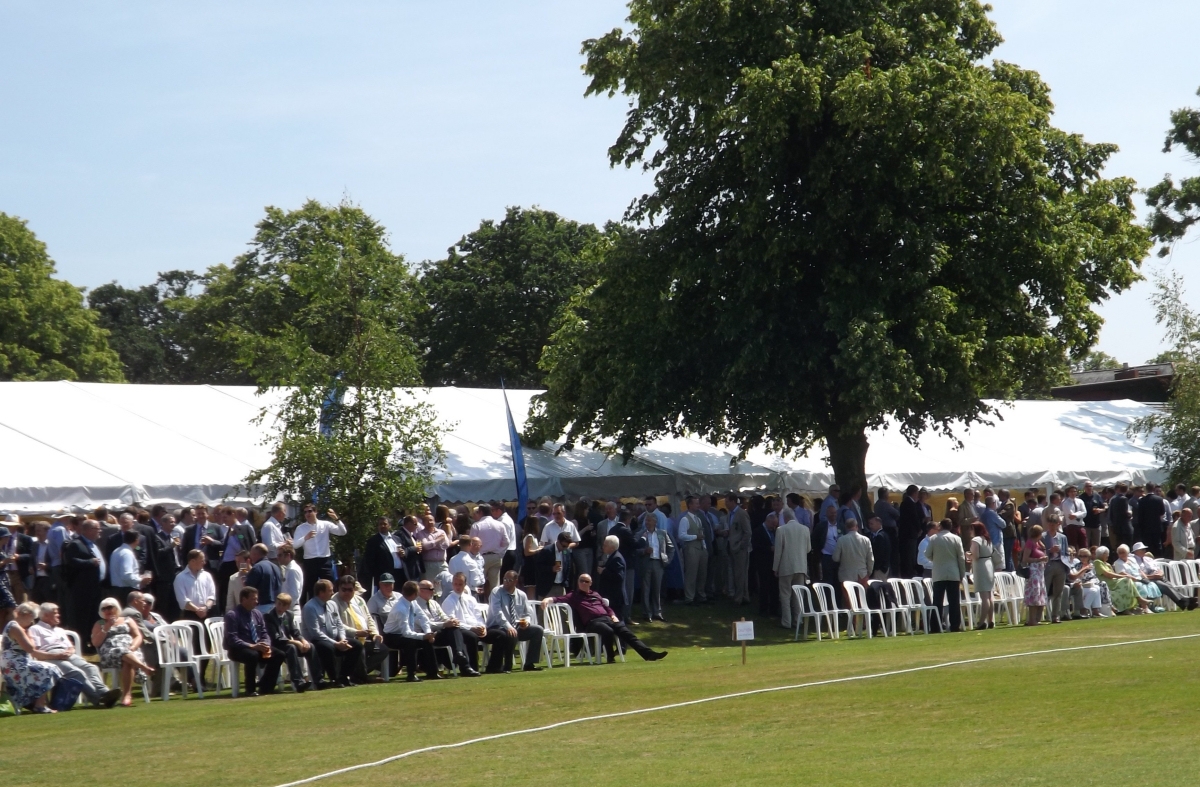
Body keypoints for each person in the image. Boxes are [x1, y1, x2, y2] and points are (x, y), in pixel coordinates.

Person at [541, 574, 667, 662]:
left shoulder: (596, 594)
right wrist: (547, 599)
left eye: (586, 581)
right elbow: (557, 599)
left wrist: (613, 616)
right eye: (581, 580)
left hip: (607, 618)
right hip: (592, 623)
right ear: (578, 582)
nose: (583, 583)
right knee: (608, 631)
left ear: (590, 583)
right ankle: (610, 656)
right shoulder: (573, 596)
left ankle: (649, 654)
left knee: (626, 632)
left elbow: (607, 608)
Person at [28, 601, 121, 708]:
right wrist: (56, 656)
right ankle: (98, 699)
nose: (58, 615)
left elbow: (71, 646)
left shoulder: (60, 630)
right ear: (45, 615)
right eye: (55, 613)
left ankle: (105, 693)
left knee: (91, 667)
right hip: (49, 657)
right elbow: (35, 652)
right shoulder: (35, 629)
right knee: (76, 672)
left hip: (67, 654)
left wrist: (70, 651)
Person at [301, 579, 365, 687]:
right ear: (321, 593)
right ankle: (334, 679)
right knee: (328, 648)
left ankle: (344, 676)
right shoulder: (310, 607)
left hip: (335, 638)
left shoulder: (332, 604)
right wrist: (335, 644)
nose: (332, 593)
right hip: (318, 641)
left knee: (356, 645)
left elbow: (339, 624)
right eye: (330, 590)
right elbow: (315, 633)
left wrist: (342, 639)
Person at [91, 597, 154, 706]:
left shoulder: (127, 620)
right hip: (110, 652)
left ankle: (127, 695)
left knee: (126, 659)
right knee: (121, 651)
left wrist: (133, 647)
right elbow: (96, 643)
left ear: (117, 608)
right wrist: (106, 627)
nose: (107, 611)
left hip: (130, 650)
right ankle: (143, 667)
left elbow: (138, 636)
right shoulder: (100, 623)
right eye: (104, 609)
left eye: (110, 607)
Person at [223, 587, 285, 696]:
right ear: (243, 599)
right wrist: (252, 646)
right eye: (253, 599)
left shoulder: (257, 614)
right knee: (252, 655)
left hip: (257, 646)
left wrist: (266, 644)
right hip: (238, 649)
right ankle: (250, 689)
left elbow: (264, 632)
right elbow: (233, 639)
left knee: (279, 654)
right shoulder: (232, 615)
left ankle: (266, 686)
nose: (256, 602)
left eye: (257, 599)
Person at [1, 601, 61, 713]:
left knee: (49, 668)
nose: (33, 621)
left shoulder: (17, 626)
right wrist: (29, 635)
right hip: (14, 664)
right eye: (33, 618)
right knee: (49, 669)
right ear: (28, 615)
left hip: (16, 662)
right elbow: (30, 648)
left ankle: (33, 702)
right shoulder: (16, 628)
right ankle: (39, 705)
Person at [442, 572, 504, 674]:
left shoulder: (471, 599)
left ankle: (494, 667)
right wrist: (471, 628)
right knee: (471, 637)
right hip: (462, 630)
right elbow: (453, 622)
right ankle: (472, 667)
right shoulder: (448, 601)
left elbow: (478, 616)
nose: (457, 587)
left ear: (465, 584)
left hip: (476, 627)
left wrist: (482, 627)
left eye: (460, 584)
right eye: (455, 584)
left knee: (500, 635)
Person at [414, 579, 479, 676]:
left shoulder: (434, 603)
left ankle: (461, 658)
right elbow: (425, 624)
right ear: (421, 590)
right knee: (453, 630)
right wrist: (445, 624)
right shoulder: (415, 605)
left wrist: (451, 621)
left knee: (458, 630)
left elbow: (443, 616)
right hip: (426, 634)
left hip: (440, 633)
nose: (433, 591)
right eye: (431, 589)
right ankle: (463, 663)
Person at [381, 581, 442, 682]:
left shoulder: (412, 602)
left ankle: (433, 672)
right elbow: (406, 633)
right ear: (415, 594)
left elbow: (423, 617)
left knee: (427, 641)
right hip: (391, 636)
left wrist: (428, 633)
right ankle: (411, 674)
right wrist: (423, 636)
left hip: (403, 634)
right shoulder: (401, 609)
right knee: (410, 642)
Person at [486, 571, 544, 672]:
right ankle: (507, 666)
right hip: (497, 626)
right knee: (510, 633)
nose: (506, 582)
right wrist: (508, 626)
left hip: (516, 626)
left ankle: (530, 663)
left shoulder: (522, 595)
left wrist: (526, 622)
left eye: (509, 580)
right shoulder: (496, 592)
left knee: (538, 630)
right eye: (504, 579)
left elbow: (528, 613)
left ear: (515, 581)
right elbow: (497, 613)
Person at [291, 506, 347, 602]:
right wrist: (306, 537)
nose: (307, 514)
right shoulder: (301, 528)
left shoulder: (325, 524)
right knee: (311, 588)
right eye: (305, 512)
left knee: (330, 585)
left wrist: (336, 519)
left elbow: (342, 532)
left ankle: (333, 607)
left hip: (324, 560)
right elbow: (295, 545)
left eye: (310, 511)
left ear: (315, 512)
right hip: (310, 561)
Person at [62, 519, 107, 638]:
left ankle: (92, 639)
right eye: (97, 529)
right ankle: (82, 641)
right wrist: (90, 562)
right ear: (88, 530)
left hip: (96, 586)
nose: (100, 531)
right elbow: (70, 561)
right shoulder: (76, 544)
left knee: (94, 614)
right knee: (83, 615)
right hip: (83, 588)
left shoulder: (93, 544)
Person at [334, 575, 387, 676]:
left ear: (354, 589)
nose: (347, 593)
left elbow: (369, 618)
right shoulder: (333, 602)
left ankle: (359, 674)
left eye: (350, 590)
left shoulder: (359, 600)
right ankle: (360, 676)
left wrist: (375, 633)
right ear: (338, 588)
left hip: (365, 637)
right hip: (346, 638)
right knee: (358, 648)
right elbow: (337, 624)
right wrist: (356, 632)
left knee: (383, 649)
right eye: (344, 590)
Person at [263, 592, 312, 693]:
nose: (280, 607)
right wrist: (295, 642)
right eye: (278, 603)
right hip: (275, 645)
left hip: (287, 644)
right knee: (291, 648)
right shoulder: (269, 616)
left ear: (288, 606)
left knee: (311, 647)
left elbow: (294, 631)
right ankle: (298, 682)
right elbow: (276, 638)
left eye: (283, 605)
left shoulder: (289, 615)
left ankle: (317, 679)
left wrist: (303, 640)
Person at [924, 519, 966, 633]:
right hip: (953, 572)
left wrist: (936, 559)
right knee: (954, 601)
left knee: (937, 601)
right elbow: (961, 558)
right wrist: (962, 573)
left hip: (939, 572)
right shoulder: (956, 539)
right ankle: (955, 626)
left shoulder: (933, 539)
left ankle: (935, 626)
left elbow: (927, 554)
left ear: (941, 526)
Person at [773, 509, 810, 630]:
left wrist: (775, 567)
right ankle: (798, 621)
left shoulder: (781, 530)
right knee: (798, 595)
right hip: (801, 566)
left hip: (786, 566)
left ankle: (786, 622)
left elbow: (778, 551)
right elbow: (808, 549)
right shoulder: (805, 529)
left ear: (784, 518)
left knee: (785, 595)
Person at [1130, 543, 1195, 611]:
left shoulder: (1148, 559)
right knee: (1165, 586)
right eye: (1142, 549)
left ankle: (1184, 602)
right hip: (1148, 580)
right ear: (1136, 551)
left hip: (1158, 577)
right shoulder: (1133, 561)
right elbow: (1139, 574)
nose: (1144, 551)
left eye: (1144, 549)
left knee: (1169, 585)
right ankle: (1185, 601)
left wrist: (1161, 573)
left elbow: (1158, 569)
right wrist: (1153, 576)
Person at [636, 512, 674, 621]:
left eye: (649, 520)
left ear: (655, 522)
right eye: (646, 521)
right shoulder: (641, 534)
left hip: (658, 563)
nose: (647, 523)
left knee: (657, 589)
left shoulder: (662, 533)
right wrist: (644, 551)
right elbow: (635, 549)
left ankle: (657, 612)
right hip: (646, 563)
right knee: (646, 589)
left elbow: (671, 548)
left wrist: (667, 560)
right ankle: (646, 613)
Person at [1093, 546, 1146, 615]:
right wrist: (1123, 576)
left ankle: (1132, 605)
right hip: (1108, 584)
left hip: (1114, 582)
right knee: (1126, 579)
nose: (1108, 556)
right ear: (1102, 554)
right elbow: (1109, 575)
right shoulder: (1097, 562)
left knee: (1128, 581)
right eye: (1106, 554)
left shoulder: (1106, 564)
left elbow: (1112, 574)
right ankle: (1137, 600)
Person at [676, 496, 709, 605]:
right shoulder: (685, 519)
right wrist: (695, 537)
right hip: (691, 548)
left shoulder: (698, 519)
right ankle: (689, 597)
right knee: (691, 573)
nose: (698, 505)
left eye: (698, 503)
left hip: (700, 548)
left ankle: (701, 595)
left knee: (702, 573)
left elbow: (701, 534)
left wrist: (704, 548)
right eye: (696, 503)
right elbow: (681, 535)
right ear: (690, 505)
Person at [361, 516, 406, 595]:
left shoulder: (397, 539)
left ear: (389, 525)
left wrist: (403, 553)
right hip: (385, 576)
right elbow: (369, 561)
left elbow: (404, 553)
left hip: (400, 574)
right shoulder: (373, 541)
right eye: (380, 524)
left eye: (385, 524)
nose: (382, 526)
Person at [471, 506, 510, 595]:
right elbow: (506, 541)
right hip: (495, 557)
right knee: (495, 586)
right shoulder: (500, 524)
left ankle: (479, 605)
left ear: (480, 512)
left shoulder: (476, 525)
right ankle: (495, 605)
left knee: (478, 584)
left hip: (480, 557)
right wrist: (500, 552)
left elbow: (472, 543)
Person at [174, 548, 217, 623]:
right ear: (192, 561)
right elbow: (182, 600)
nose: (204, 563)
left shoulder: (207, 575)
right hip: (190, 616)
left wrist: (205, 608)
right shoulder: (180, 578)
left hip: (207, 614)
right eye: (202, 561)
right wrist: (198, 610)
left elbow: (212, 596)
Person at [833, 518, 874, 593]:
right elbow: (871, 559)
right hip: (862, 574)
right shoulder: (866, 540)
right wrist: (868, 572)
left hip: (846, 575)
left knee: (848, 601)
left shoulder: (841, 540)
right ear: (857, 527)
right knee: (862, 600)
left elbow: (835, 558)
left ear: (846, 527)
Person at [968, 523, 995, 630]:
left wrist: (968, 555)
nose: (970, 532)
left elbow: (976, 556)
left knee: (984, 596)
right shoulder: (987, 539)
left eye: (971, 529)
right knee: (990, 595)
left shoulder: (976, 540)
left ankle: (981, 621)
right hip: (989, 564)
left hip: (981, 567)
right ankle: (990, 620)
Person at [725, 493, 752, 604]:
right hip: (732, 547)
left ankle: (739, 598)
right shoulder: (730, 514)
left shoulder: (741, 514)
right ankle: (744, 596)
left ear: (733, 502)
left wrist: (741, 545)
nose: (725, 504)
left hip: (740, 549)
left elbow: (747, 532)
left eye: (727, 501)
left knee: (740, 574)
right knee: (738, 574)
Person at [751, 512, 779, 616]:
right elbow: (756, 546)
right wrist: (769, 549)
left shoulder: (776, 531)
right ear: (767, 521)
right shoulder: (758, 531)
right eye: (772, 524)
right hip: (763, 562)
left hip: (774, 563)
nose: (774, 527)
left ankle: (774, 609)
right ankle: (763, 609)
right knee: (764, 586)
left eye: (775, 525)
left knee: (774, 587)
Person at [244, 543, 283, 613]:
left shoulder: (257, 567)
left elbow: (248, 589)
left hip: (261, 608)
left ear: (256, 554)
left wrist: (244, 576)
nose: (250, 556)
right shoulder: (276, 567)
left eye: (251, 554)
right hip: (276, 607)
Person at [1022, 525, 1049, 625]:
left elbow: (1043, 551)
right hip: (1033, 571)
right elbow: (1025, 559)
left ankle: (1037, 619)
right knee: (1034, 595)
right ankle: (1032, 620)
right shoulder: (1030, 543)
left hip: (1040, 571)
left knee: (1040, 595)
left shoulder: (1038, 543)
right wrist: (1038, 560)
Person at [1070, 549, 1107, 618]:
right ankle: (1085, 610)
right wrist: (1084, 571)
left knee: (1097, 588)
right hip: (1080, 586)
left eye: (1085, 556)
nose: (1083, 558)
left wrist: (1091, 582)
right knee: (1094, 590)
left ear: (1089, 557)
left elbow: (1095, 577)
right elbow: (1077, 578)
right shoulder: (1077, 566)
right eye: (1081, 556)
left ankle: (1094, 611)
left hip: (1089, 585)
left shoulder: (1092, 565)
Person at [415, 513, 451, 584]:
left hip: (442, 563)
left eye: (431, 520)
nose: (430, 522)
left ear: (434, 521)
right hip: (429, 564)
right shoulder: (420, 534)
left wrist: (432, 545)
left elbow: (446, 545)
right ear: (423, 523)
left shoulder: (441, 532)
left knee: (445, 584)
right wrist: (438, 540)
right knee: (430, 585)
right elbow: (425, 546)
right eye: (427, 521)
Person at [277, 544, 304, 618]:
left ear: (288, 555)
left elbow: (294, 594)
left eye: (280, 555)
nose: (278, 558)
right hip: (288, 609)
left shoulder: (292, 570)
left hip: (291, 611)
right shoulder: (289, 569)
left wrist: (284, 607)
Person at [865, 516, 891, 580]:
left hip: (880, 569)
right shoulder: (883, 534)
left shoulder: (880, 536)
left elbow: (880, 554)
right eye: (869, 524)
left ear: (878, 523)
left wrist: (876, 567)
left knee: (878, 587)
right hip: (883, 567)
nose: (870, 526)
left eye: (872, 524)